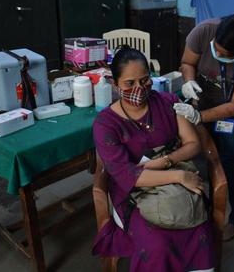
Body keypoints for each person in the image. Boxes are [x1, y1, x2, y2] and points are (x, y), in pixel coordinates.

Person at [92, 47, 215, 271]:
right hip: (133, 192)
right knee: (156, 246)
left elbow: (193, 144)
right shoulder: (106, 124)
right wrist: (178, 175)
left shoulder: (168, 102)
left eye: (145, 80)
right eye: (130, 83)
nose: (139, 89)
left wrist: (162, 162)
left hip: (175, 178)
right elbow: (127, 175)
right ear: (115, 83)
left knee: (198, 226)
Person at [173, 13, 234, 241]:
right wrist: (189, 82)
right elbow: (187, 63)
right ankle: (205, 211)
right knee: (205, 155)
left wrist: (199, 116)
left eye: (226, 55)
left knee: (230, 161)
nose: (219, 55)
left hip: (233, 115)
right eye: (217, 49)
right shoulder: (204, 31)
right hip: (201, 102)